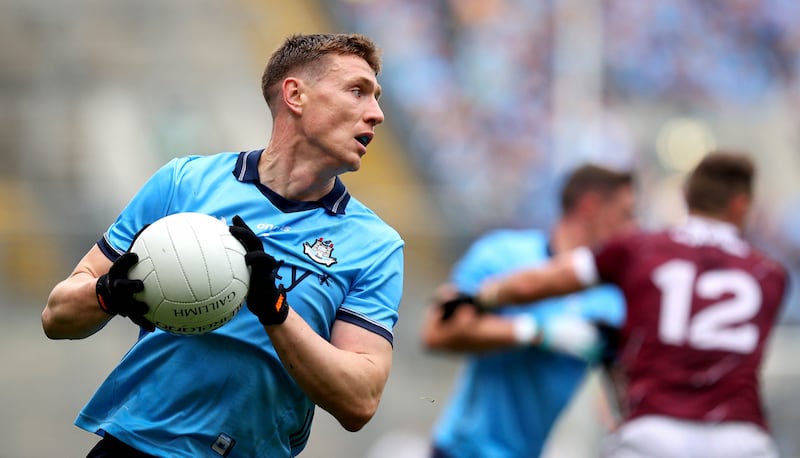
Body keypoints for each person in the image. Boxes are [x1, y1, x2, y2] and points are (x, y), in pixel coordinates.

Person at [41, 33, 404, 457]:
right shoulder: (183, 183)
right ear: (295, 95)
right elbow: (56, 317)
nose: (376, 114)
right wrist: (104, 295)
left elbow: (359, 401)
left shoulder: (376, 245)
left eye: (376, 97)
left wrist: (275, 311)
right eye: (357, 91)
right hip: (133, 448)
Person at [458, 151, 787, 458]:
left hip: (655, 431)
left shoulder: (641, 250)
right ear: (741, 205)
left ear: (685, 197)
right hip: (739, 437)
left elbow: (542, 281)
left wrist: (483, 296)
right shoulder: (770, 274)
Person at [421, 164, 637, 458]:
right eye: (625, 214)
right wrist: (535, 333)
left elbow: (624, 387)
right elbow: (436, 331)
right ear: (590, 207)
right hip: (461, 451)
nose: (632, 228)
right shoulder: (502, 254)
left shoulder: (612, 298)